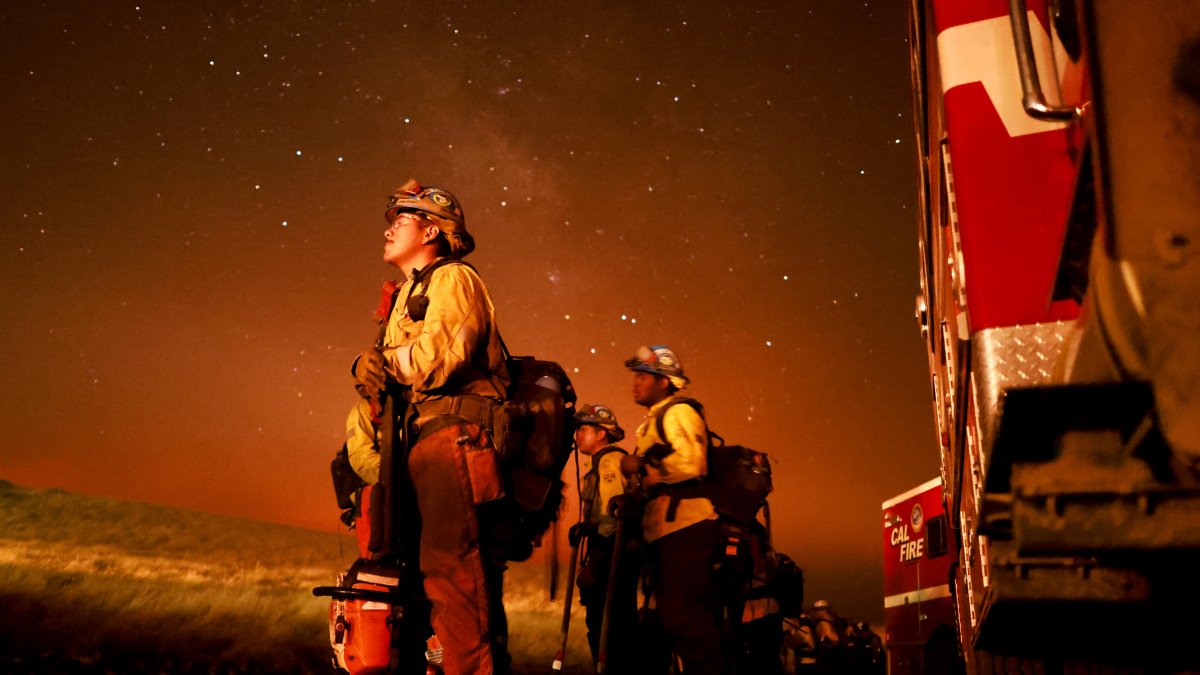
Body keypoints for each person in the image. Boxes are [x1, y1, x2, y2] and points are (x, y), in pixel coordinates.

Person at [349, 179, 512, 675]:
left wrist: (382, 362)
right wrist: (366, 365)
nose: (390, 228)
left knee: (452, 576)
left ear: (433, 230)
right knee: (423, 581)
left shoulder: (453, 279)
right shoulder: (406, 295)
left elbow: (438, 358)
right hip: (422, 444)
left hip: (454, 440)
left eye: (403, 218)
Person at [619, 344, 733, 675]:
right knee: (668, 618)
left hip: (687, 529)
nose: (636, 383)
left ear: (665, 382)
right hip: (667, 532)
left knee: (688, 620)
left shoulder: (679, 411)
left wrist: (641, 465)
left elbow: (692, 463)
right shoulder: (655, 420)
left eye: (644, 376)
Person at [569, 403, 640, 672]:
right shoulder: (599, 461)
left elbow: (612, 518)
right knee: (610, 626)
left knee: (608, 627)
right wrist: (586, 526)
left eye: (584, 429)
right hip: (612, 553)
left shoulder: (609, 461)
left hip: (612, 555)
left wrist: (596, 565)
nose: (578, 436)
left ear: (602, 433)